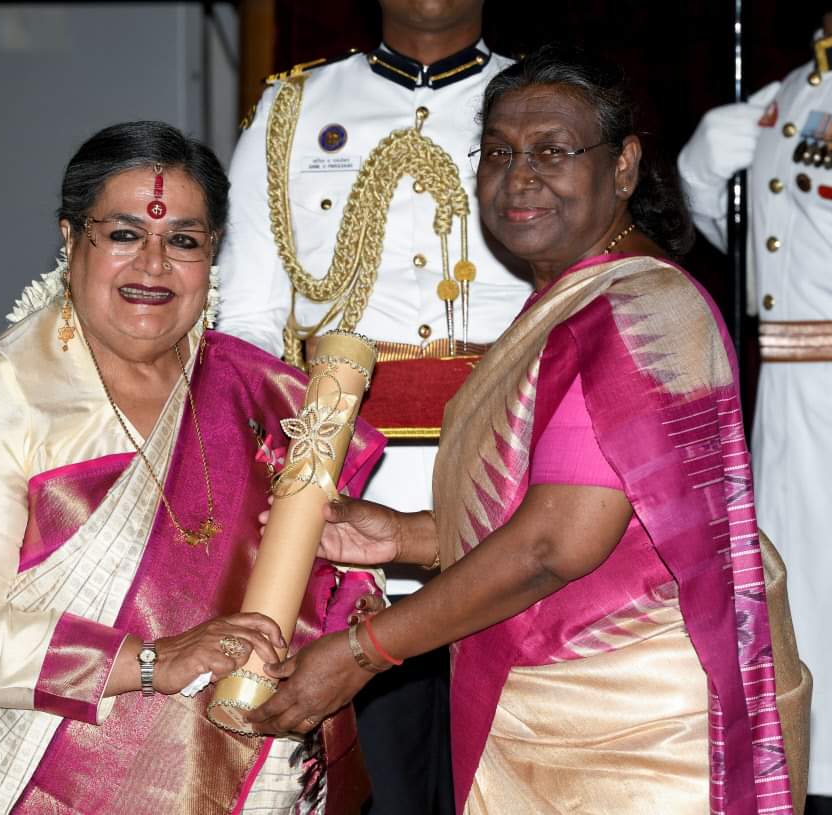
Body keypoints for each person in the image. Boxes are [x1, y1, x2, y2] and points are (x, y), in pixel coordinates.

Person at [246, 46, 811, 815]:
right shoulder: (577, 301)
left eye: (553, 150)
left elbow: (557, 544)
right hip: (567, 712)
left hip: (634, 730)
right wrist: (406, 535)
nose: (520, 175)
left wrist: (362, 652)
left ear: (623, 166)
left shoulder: (639, 310)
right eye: (500, 152)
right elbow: (583, 509)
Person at [0, 121, 385, 815]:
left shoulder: (262, 394)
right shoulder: (10, 393)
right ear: (69, 239)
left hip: (249, 770)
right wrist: (148, 662)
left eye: (182, 240)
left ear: (212, 254)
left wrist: (352, 617)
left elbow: (337, 561)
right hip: (44, 783)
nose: (153, 264)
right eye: (123, 235)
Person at [218, 2, 531, 811]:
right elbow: (249, 322)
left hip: (507, 475)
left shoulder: (535, 103)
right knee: (373, 775)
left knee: (499, 770)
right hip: (341, 486)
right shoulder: (294, 109)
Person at [678, 14, 832, 813]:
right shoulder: (788, 96)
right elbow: (750, 247)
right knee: (792, 599)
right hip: (784, 400)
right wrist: (702, 171)